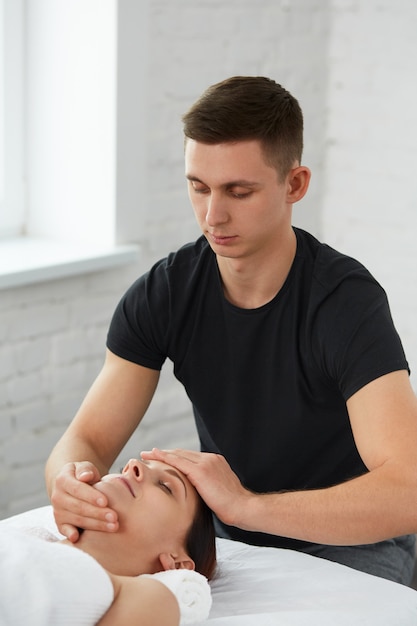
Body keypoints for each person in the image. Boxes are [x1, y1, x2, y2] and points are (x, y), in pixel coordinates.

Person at [45, 76, 417, 586]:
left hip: (353, 540)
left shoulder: (345, 303)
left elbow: (408, 491)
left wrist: (244, 507)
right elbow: (85, 439)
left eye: (238, 192)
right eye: (198, 187)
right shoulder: (165, 293)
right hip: (232, 535)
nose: (212, 215)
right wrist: (69, 481)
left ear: (295, 185)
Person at [2, 458, 215, 626]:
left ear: (176, 563)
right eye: (125, 466)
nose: (133, 464)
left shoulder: (150, 597)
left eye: (165, 486)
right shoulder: (29, 535)